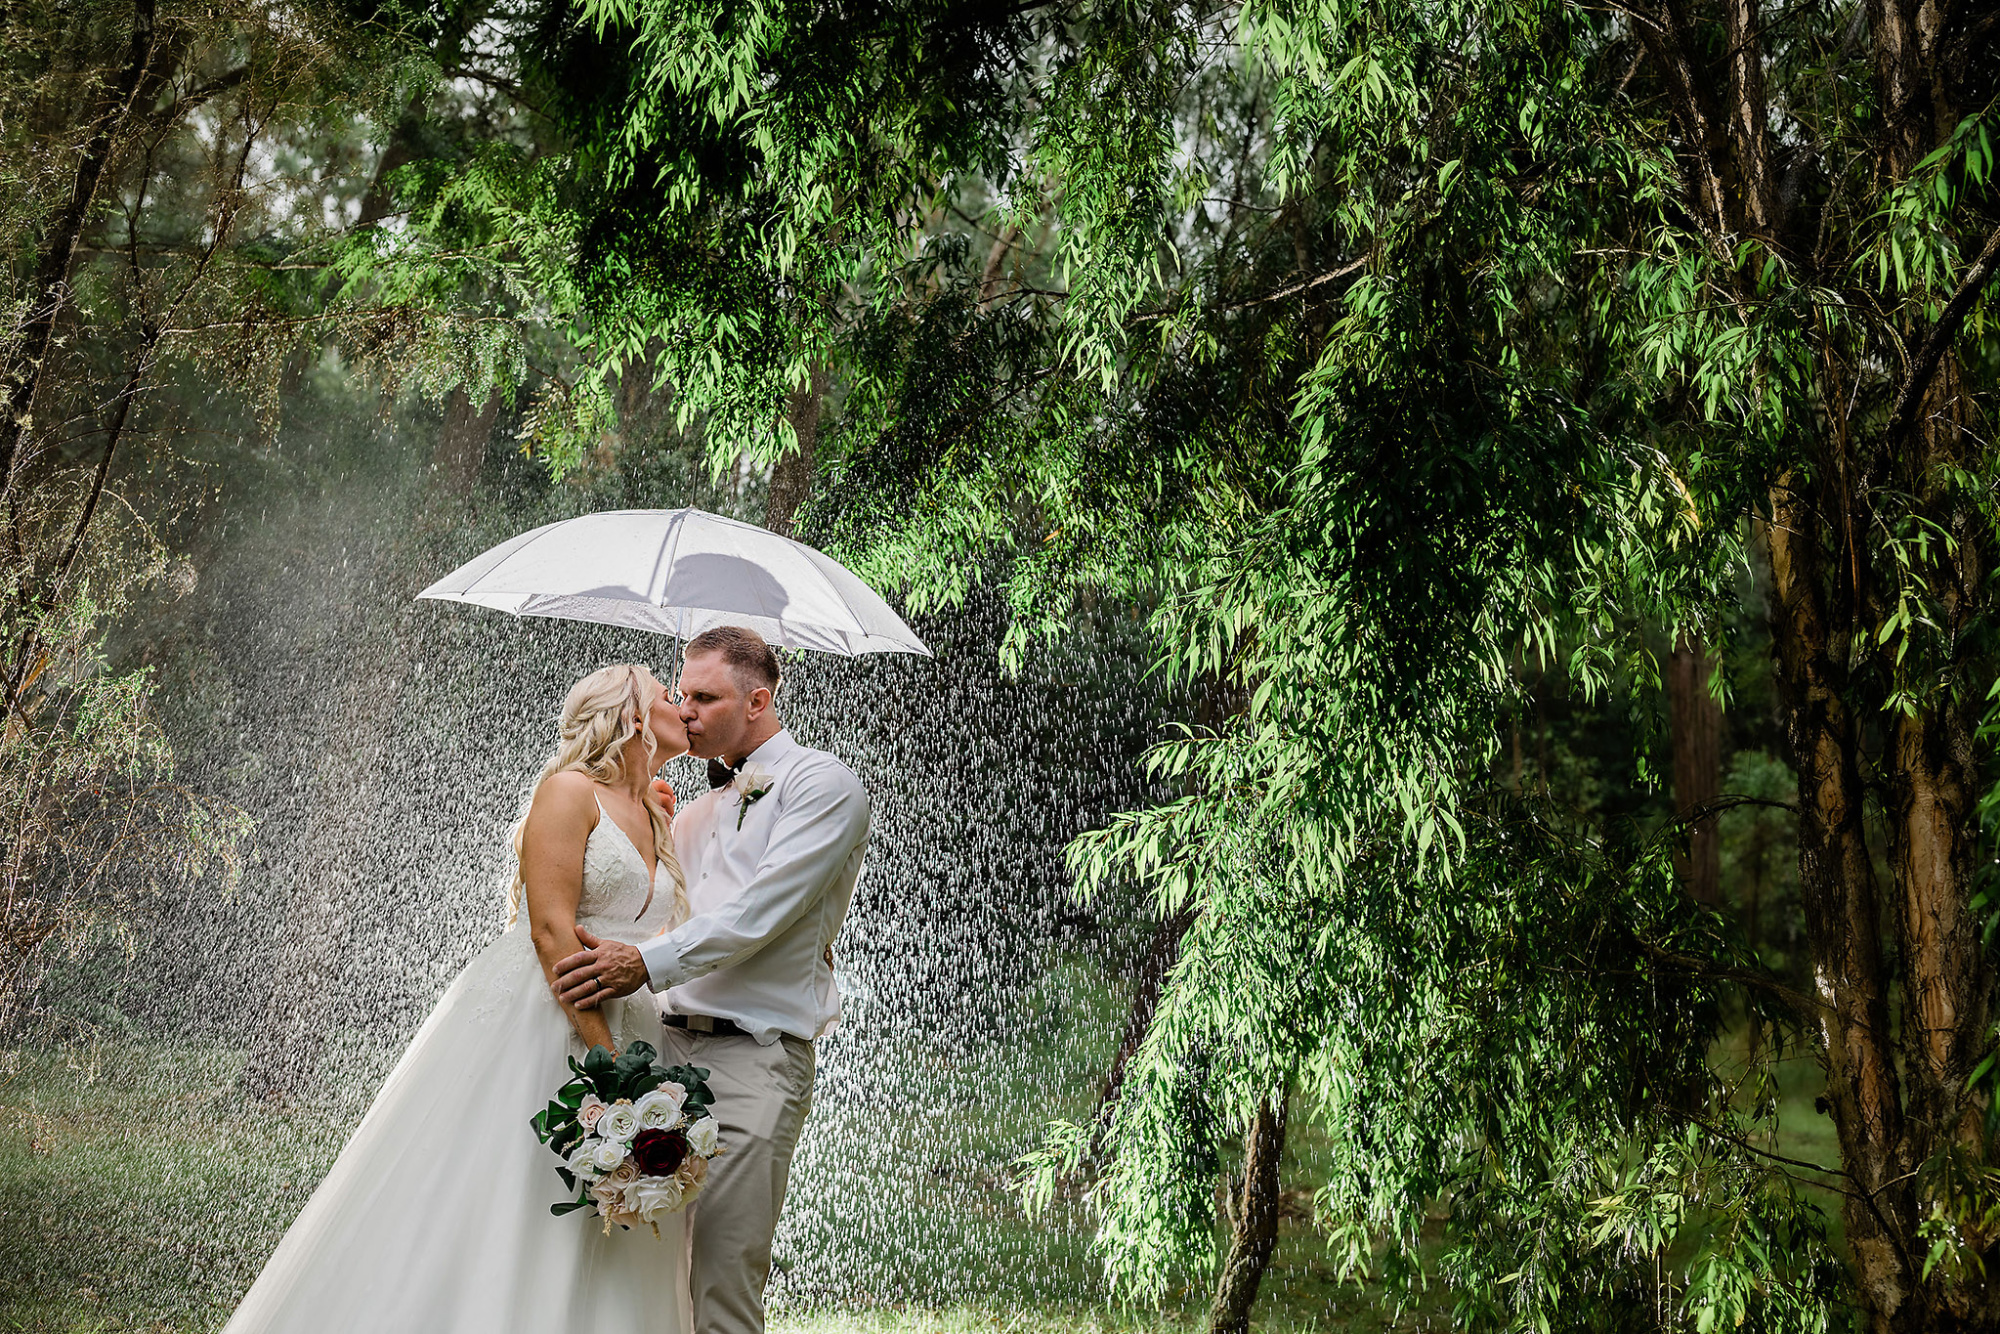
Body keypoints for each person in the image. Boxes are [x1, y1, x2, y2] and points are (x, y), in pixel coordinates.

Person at [222, 664, 694, 1334]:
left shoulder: (655, 808)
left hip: (635, 1018)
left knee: (608, 1216)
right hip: (550, 1017)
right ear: (633, 716)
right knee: (508, 1195)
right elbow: (550, 927)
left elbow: (660, 934)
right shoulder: (569, 792)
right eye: (667, 692)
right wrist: (605, 1062)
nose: (681, 703)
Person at [554, 624, 870, 1334]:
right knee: (639, 1271)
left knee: (723, 1279)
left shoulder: (823, 784)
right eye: (681, 694)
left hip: (755, 1058)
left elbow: (762, 914)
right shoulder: (688, 811)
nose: (686, 710)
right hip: (660, 1054)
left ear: (758, 700)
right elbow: (660, 918)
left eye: (705, 697)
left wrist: (641, 965)